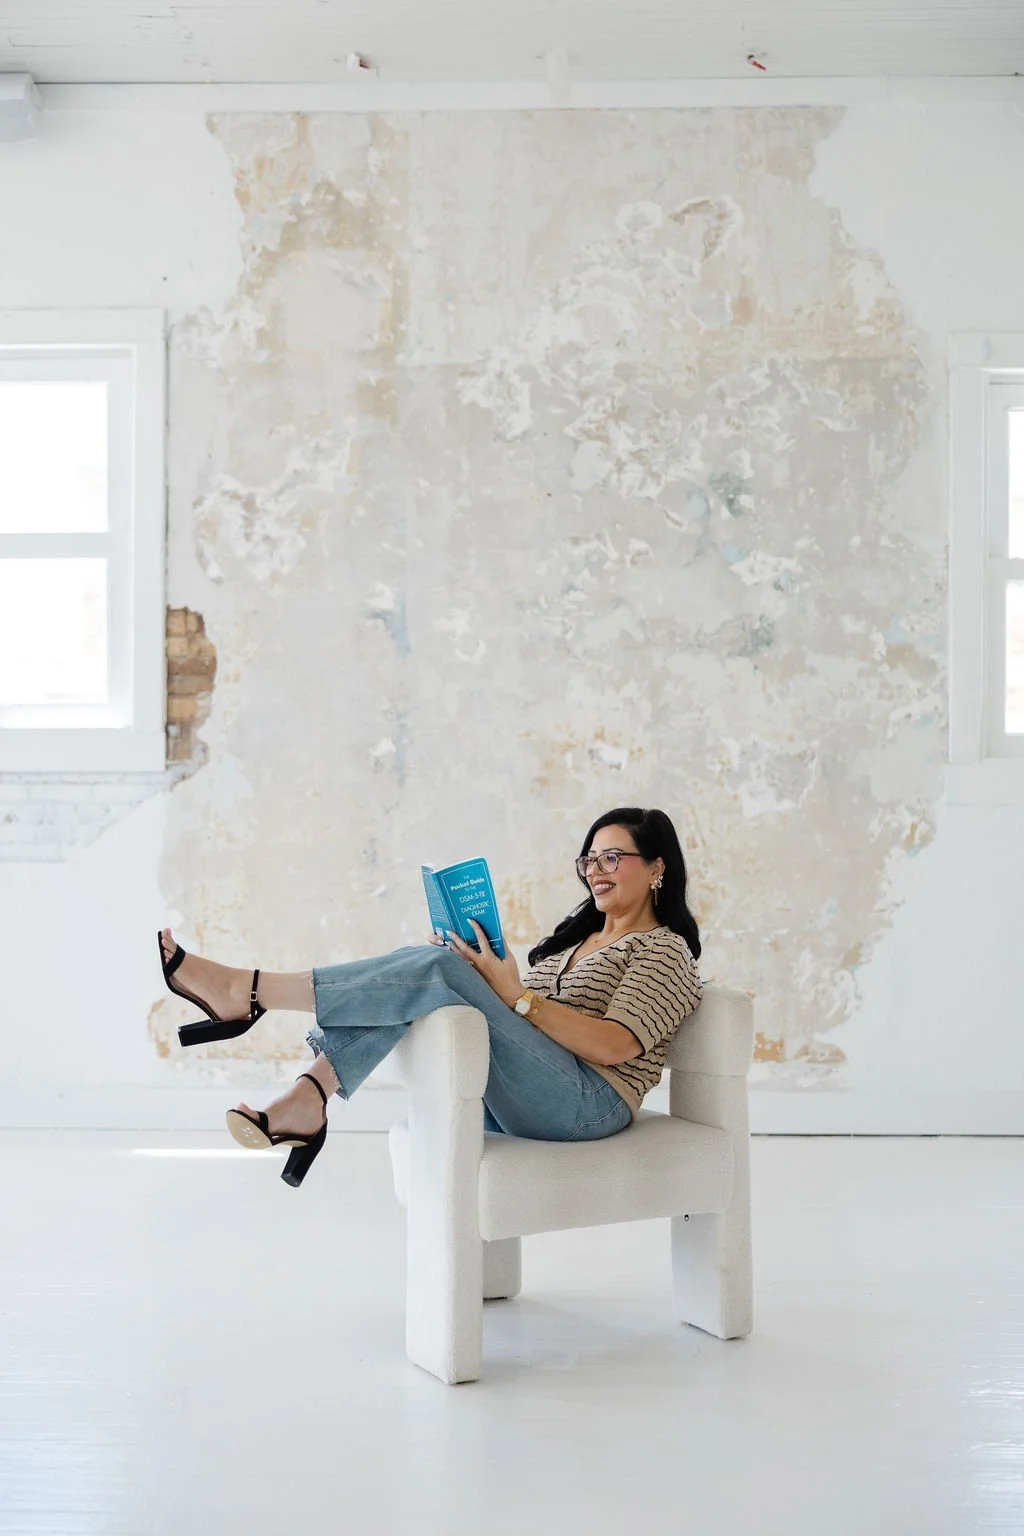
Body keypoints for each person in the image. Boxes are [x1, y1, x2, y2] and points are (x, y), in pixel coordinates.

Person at [158, 805, 703, 1187]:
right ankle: (310, 1094)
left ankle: (249, 992)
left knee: (434, 971)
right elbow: (526, 1030)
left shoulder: (664, 949)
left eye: (612, 858)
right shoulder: (571, 944)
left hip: (590, 1105)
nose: (596, 871)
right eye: (589, 860)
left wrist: (516, 995)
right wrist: (482, 977)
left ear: (656, 867)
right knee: (425, 970)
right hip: (532, 1094)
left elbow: (613, 1046)